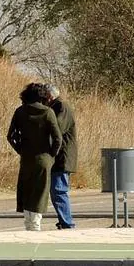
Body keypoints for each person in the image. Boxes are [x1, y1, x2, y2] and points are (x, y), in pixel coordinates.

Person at [7, 83, 62, 231]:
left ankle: (27, 222)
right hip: (44, 158)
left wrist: (20, 150)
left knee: (26, 189)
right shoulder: (48, 112)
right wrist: (52, 154)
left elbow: (10, 136)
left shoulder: (19, 112)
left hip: (26, 157)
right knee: (40, 191)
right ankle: (36, 223)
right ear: (43, 96)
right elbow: (58, 138)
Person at [43, 84, 77, 230]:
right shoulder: (56, 106)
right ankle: (64, 220)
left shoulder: (61, 106)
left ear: (49, 96)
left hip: (62, 156)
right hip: (58, 155)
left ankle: (67, 222)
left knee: (59, 189)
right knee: (56, 189)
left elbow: (57, 129)